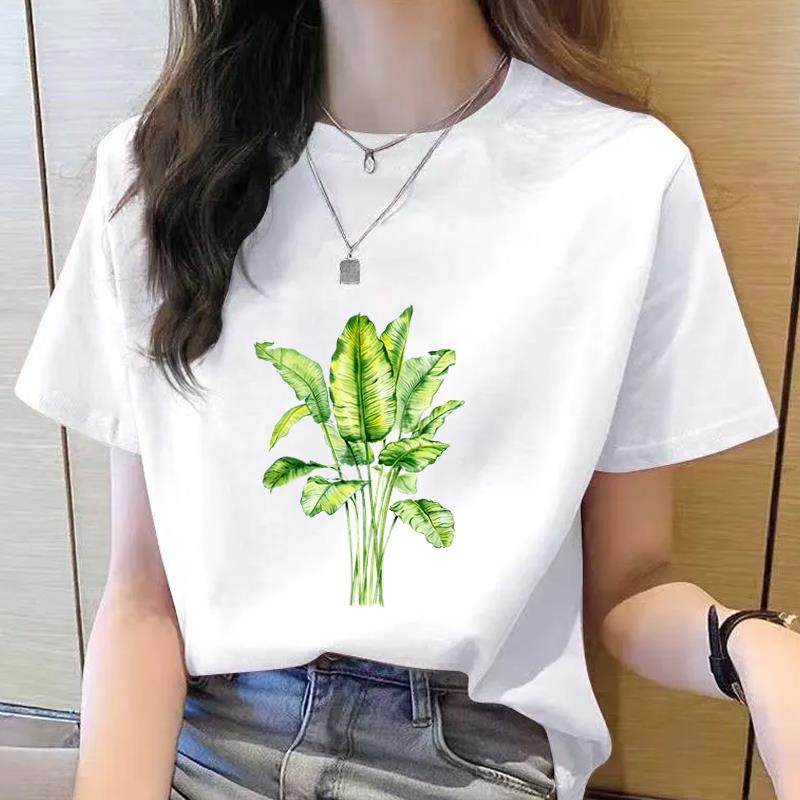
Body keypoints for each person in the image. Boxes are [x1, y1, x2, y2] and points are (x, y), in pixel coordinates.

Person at [13, 1, 800, 799]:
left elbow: (630, 588)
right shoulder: (161, 171)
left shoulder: (624, 178)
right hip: (204, 740)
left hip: (462, 759)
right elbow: (143, 598)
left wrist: (756, 648)